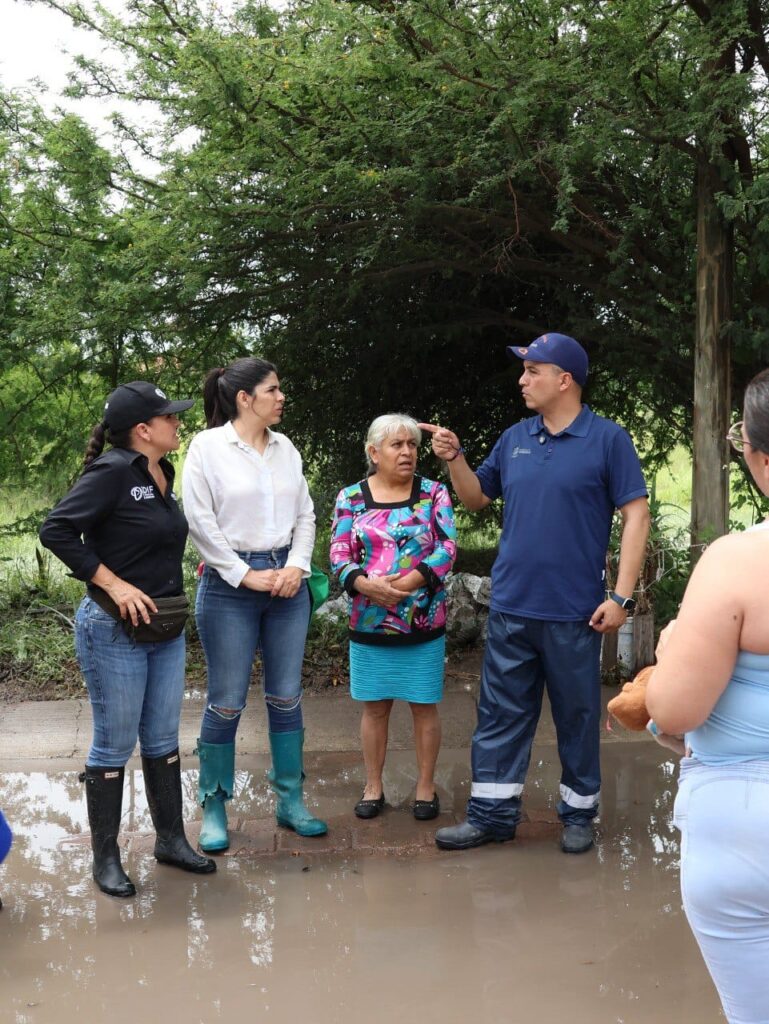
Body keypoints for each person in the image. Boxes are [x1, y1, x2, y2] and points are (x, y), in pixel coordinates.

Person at [421, 332, 650, 854]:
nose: (522, 381)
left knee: (577, 719)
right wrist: (455, 458)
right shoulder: (515, 438)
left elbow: (636, 516)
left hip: (575, 614)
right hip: (511, 608)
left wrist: (620, 598)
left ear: (564, 380)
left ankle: (579, 815)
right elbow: (476, 498)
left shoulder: (608, 439)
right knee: (499, 717)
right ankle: (491, 816)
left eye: (533, 371)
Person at [39, 381, 216, 898]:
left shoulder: (163, 471)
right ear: (143, 429)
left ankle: (171, 841)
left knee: (162, 739)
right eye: (169, 417)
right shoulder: (113, 471)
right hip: (112, 629)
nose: (177, 422)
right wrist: (113, 584)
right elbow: (56, 530)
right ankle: (106, 858)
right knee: (115, 743)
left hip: (164, 625)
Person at [646, 368, 769, 1024]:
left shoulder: (737, 562)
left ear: (758, 456)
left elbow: (673, 712)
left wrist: (672, 648)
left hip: (745, 829)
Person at [181, 357, 327, 852]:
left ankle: (290, 801)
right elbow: (199, 521)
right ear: (245, 398)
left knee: (286, 696)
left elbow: (305, 515)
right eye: (273, 389)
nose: (282, 397)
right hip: (230, 587)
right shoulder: (207, 448)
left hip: (287, 583)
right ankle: (214, 805)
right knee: (225, 699)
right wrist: (245, 574)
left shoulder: (286, 448)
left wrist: (297, 566)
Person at [330, 415, 457, 820]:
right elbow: (338, 553)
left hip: (422, 622)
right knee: (374, 707)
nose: (407, 452)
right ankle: (373, 786)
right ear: (374, 452)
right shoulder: (351, 497)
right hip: (369, 620)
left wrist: (407, 583)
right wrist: (366, 586)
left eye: (412, 445)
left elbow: (447, 547)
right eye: (397, 445)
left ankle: (425, 787)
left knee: (424, 705)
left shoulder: (434, 493)